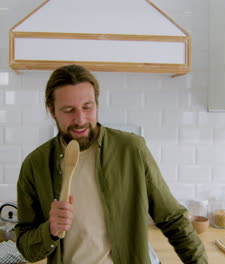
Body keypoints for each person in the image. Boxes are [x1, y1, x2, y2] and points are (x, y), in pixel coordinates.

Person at [15, 64, 208, 264]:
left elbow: (173, 219)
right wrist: (50, 230)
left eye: (87, 107)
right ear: (52, 111)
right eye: (68, 110)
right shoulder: (35, 165)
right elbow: (27, 249)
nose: (80, 119)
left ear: (97, 104)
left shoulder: (132, 149)